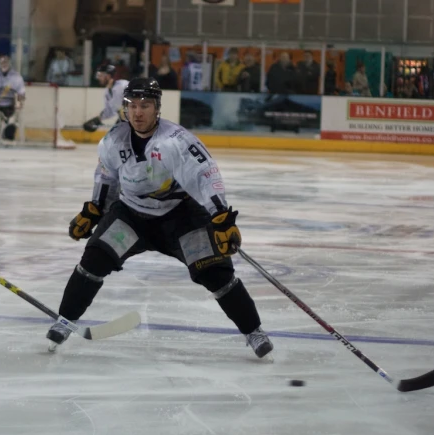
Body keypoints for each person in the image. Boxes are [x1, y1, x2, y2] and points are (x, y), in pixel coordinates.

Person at [47, 77, 273, 360]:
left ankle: (254, 331)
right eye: (132, 106)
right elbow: (106, 177)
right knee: (94, 258)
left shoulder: (176, 141)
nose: (138, 112)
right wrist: (95, 208)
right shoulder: (112, 141)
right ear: (125, 109)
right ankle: (65, 320)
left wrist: (221, 218)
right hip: (131, 215)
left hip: (180, 216)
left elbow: (206, 175)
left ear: (157, 109)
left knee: (215, 272)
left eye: (146, 105)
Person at [82, 63, 129, 132]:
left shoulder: (122, 85)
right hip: (126, 119)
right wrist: (98, 119)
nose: (98, 78)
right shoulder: (107, 92)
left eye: (101, 76)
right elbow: (110, 110)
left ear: (108, 76)